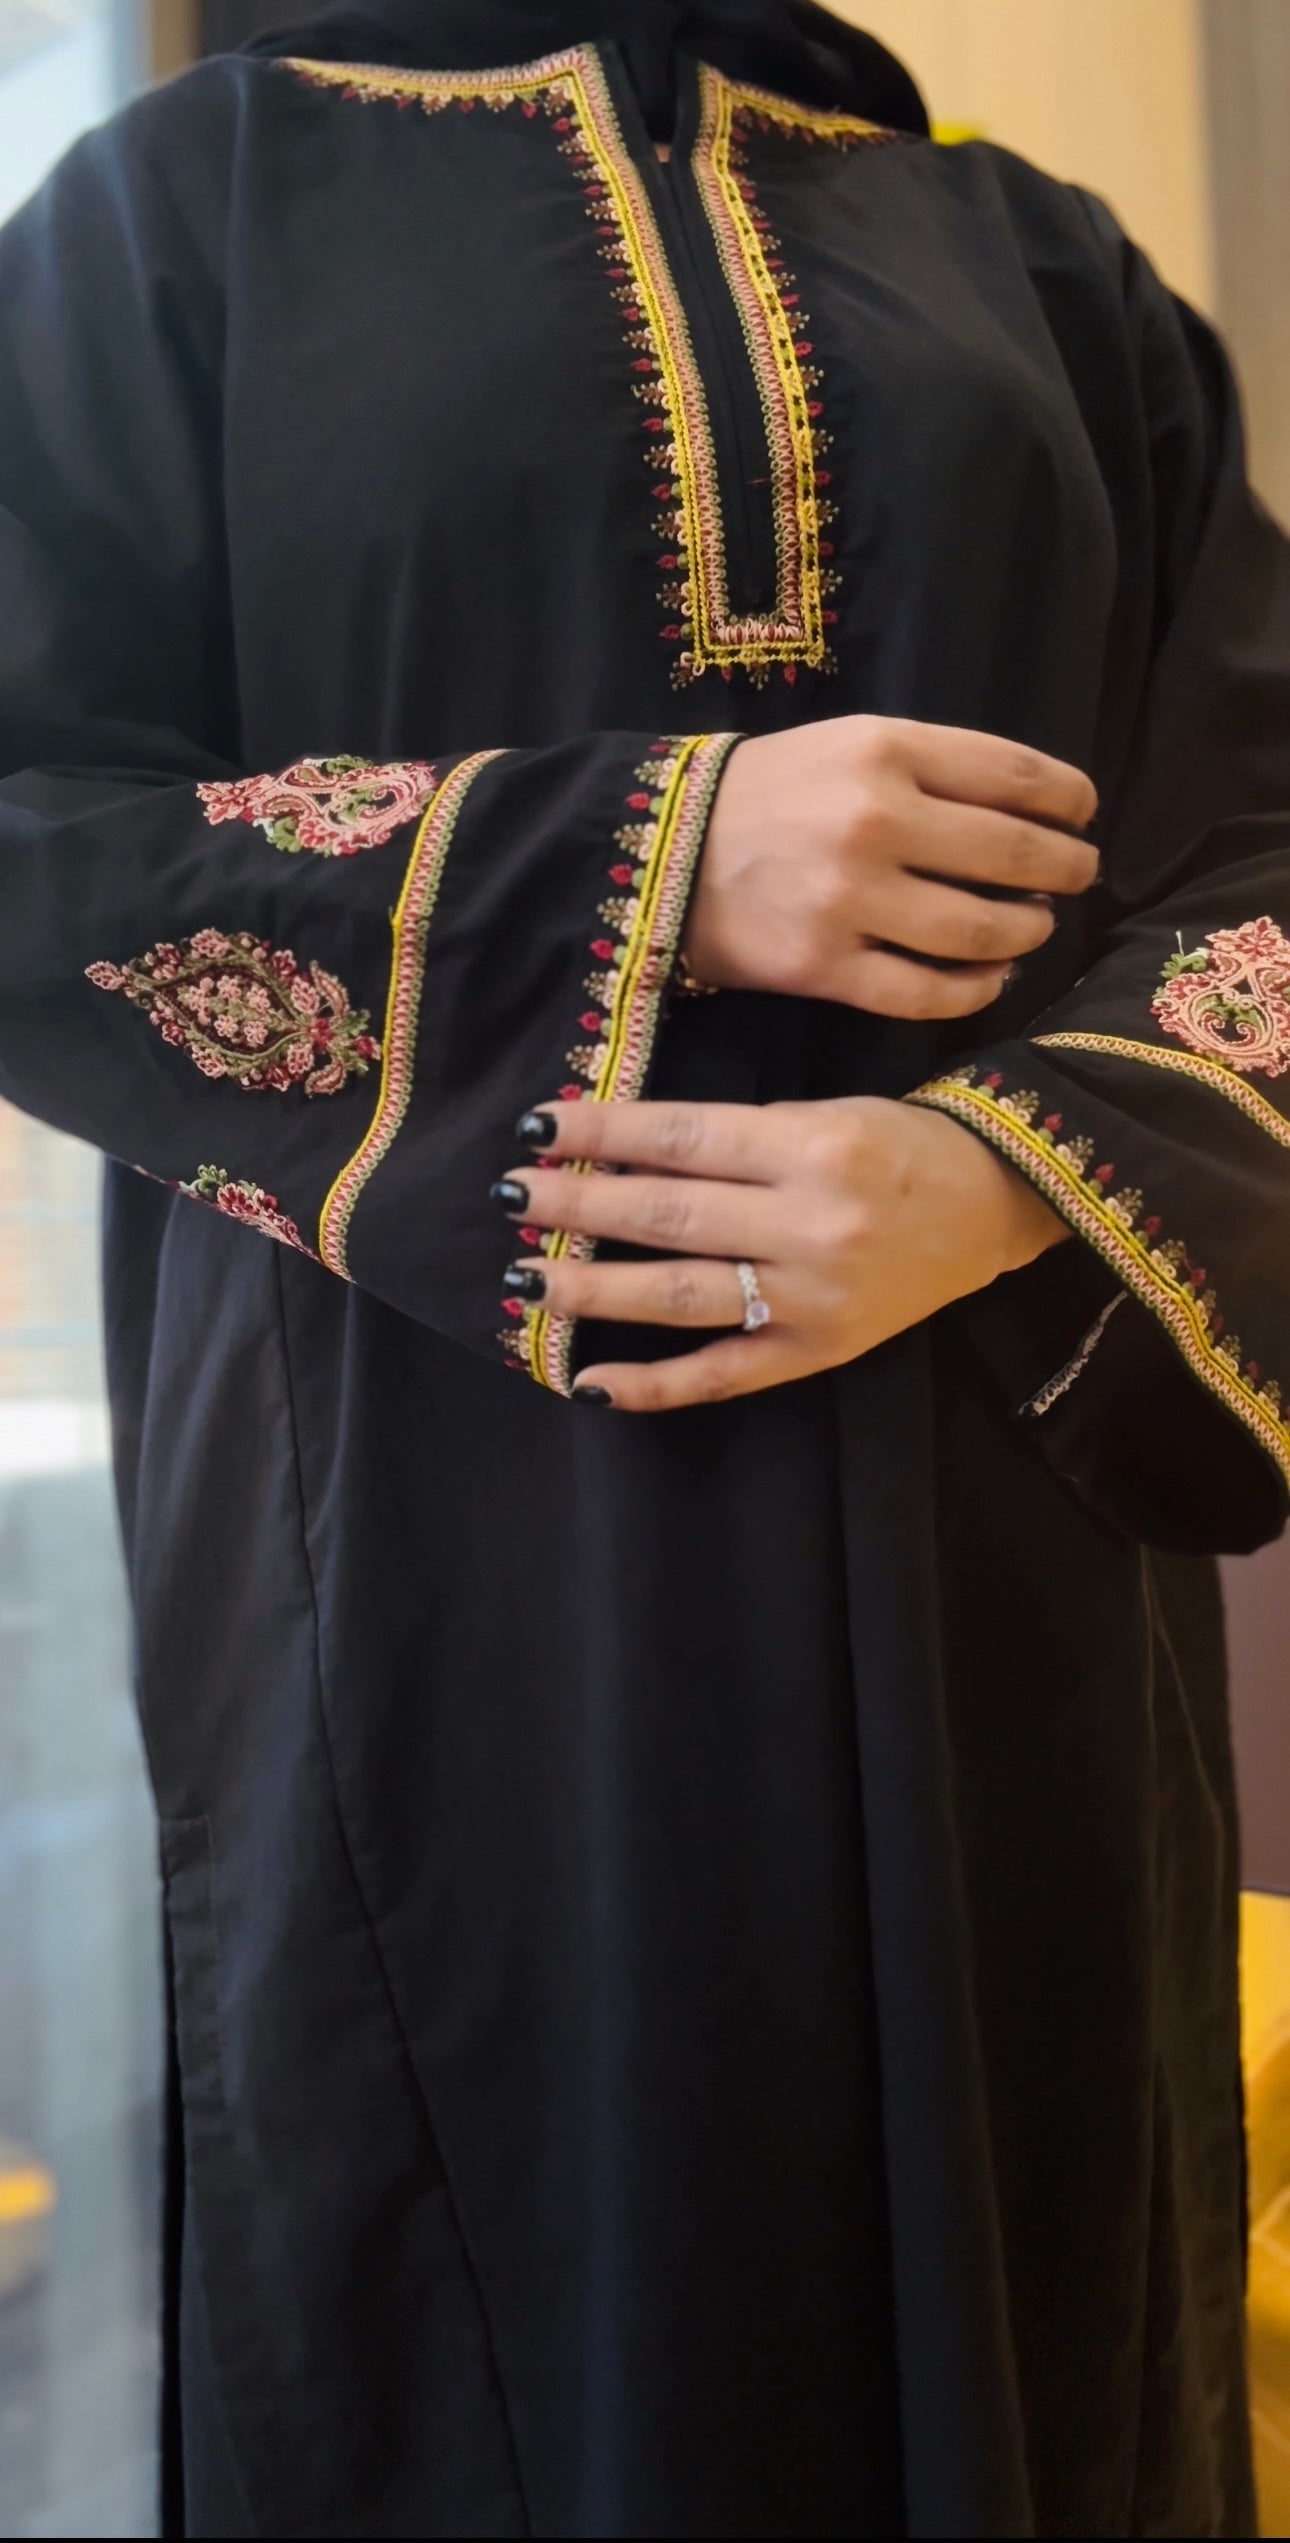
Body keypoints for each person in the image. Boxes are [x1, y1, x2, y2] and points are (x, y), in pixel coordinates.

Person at [1, 0, 1287, 2530]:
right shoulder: (180, 226)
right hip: (430, 1563)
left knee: (1045, 2308)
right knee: (492, 2325)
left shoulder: (1047, 269)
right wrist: (648, 857)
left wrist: (1007, 1171)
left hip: (1004, 1549)